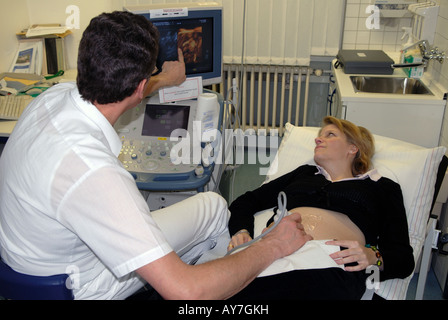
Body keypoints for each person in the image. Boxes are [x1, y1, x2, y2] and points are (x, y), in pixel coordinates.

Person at [0, 11, 311, 300]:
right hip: (74, 284)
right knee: (214, 212)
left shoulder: (52, 97)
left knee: (212, 207)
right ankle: (215, 282)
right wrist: (272, 246)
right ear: (140, 86)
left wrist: (164, 79)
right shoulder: (95, 174)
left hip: (29, 254)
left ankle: (188, 269)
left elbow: (124, 87)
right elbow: (185, 291)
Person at [227, 116, 415, 300]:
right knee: (224, 284)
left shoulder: (382, 187)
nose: (318, 139)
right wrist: (241, 230)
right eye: (319, 135)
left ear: (353, 148)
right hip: (275, 249)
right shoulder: (304, 174)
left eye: (330, 134)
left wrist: (374, 256)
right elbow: (247, 201)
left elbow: (403, 258)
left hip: (333, 263)